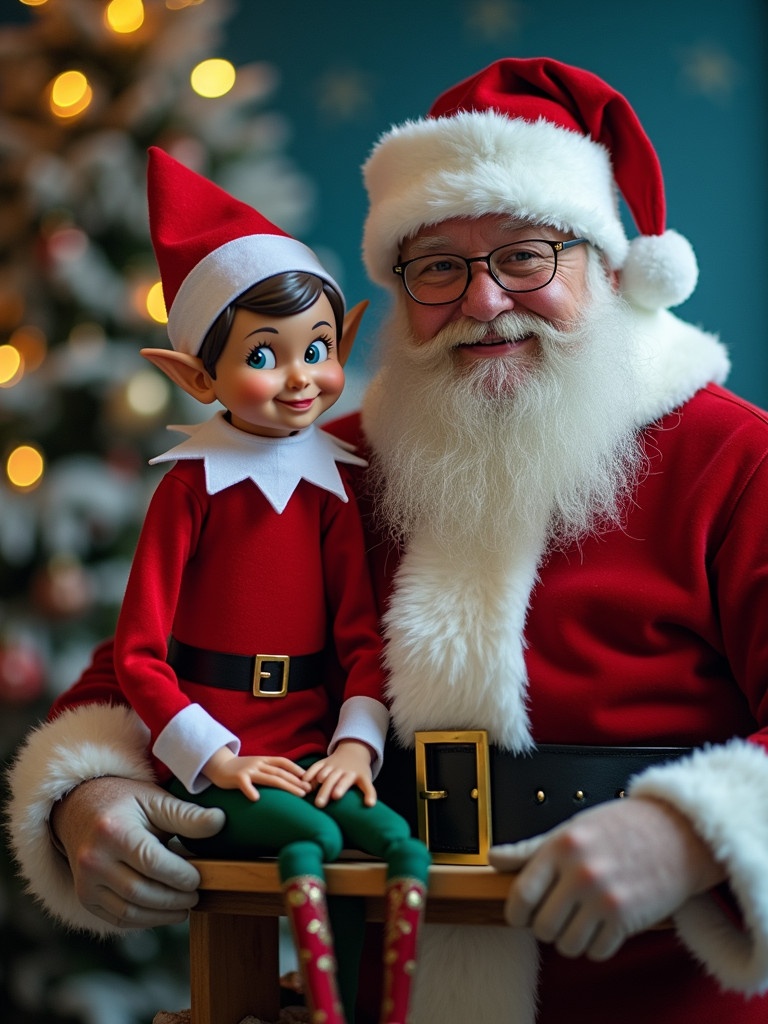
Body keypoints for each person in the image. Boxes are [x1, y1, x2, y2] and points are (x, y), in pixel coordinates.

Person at [8, 57, 768, 1024]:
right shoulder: (320, 470)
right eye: (439, 266)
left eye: (528, 255)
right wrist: (89, 797)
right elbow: (141, 669)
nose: (484, 302)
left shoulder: (733, 457)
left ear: (610, 267)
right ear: (398, 291)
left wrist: (692, 834)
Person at [67, 146, 433, 1024]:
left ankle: (391, 1003)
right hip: (224, 754)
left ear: (342, 341)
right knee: (307, 839)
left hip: (311, 740)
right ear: (197, 377)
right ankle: (318, 1007)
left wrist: (356, 744)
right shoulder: (190, 490)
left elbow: (358, 639)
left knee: (393, 840)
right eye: (267, 356)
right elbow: (138, 655)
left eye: (317, 347)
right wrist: (212, 753)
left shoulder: (334, 485)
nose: (303, 377)